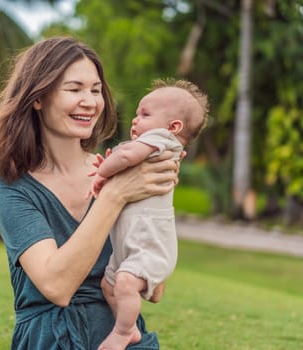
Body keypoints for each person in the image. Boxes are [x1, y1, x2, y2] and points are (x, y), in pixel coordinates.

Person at [0, 36, 181, 350]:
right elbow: (56, 286)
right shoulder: (13, 187)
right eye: (74, 89)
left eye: (96, 90)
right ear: (38, 98)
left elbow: (155, 290)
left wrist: (154, 200)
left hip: (122, 338)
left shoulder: (125, 172)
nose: (91, 102)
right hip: (51, 339)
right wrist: (114, 196)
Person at [89, 79, 209, 350]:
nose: (134, 120)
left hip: (149, 248)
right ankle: (126, 323)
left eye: (144, 114)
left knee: (123, 282)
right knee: (109, 287)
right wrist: (110, 168)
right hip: (130, 247)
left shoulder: (161, 140)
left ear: (173, 127)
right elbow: (126, 168)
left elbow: (126, 156)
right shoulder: (153, 148)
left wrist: (102, 171)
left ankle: (124, 331)